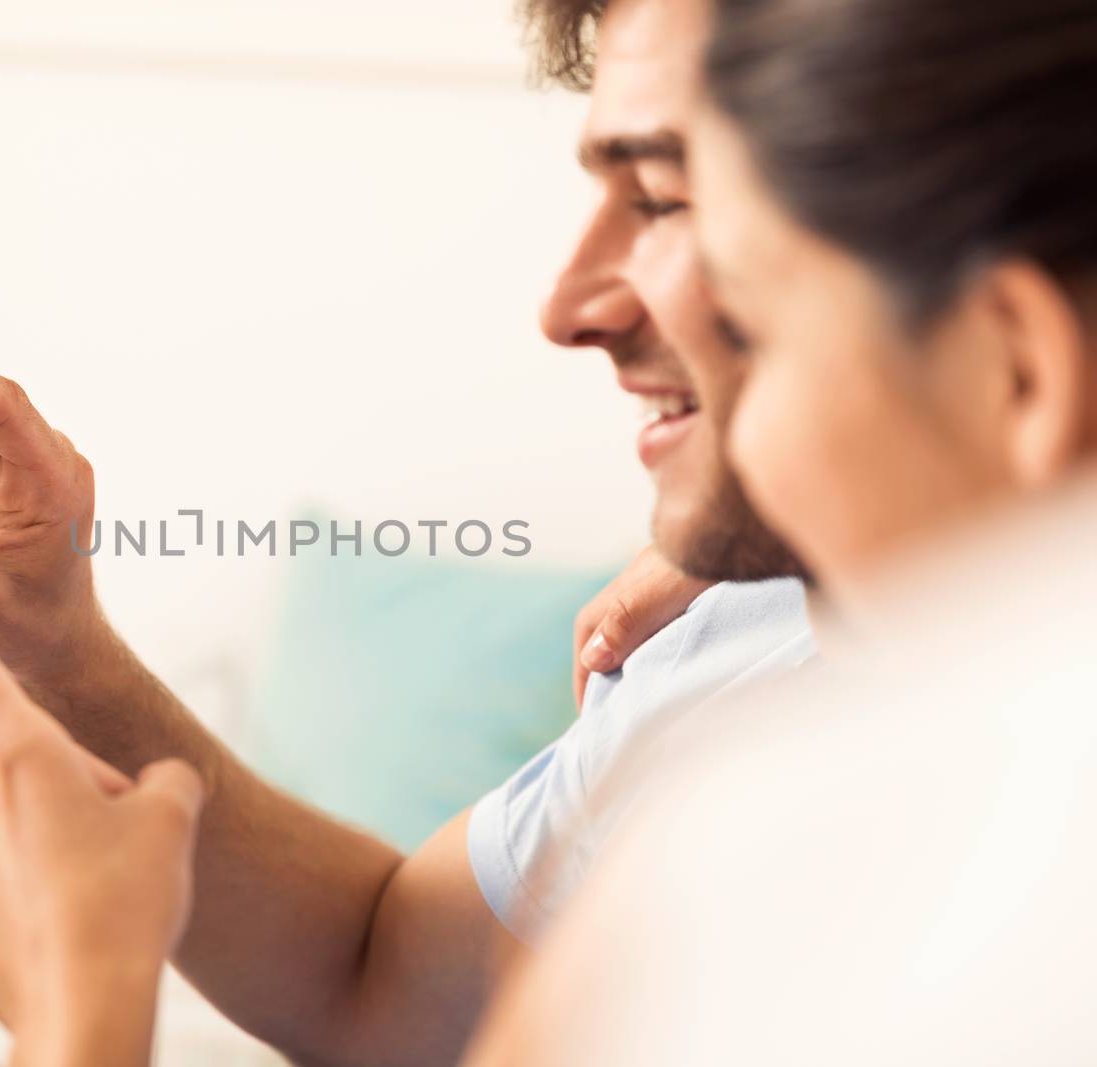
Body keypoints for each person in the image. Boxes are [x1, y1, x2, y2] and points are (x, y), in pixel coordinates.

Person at [0, 0, 821, 1063]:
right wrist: (60, 641)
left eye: (663, 194)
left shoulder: (932, 790)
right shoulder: (741, 628)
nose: (564, 305)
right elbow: (385, 982)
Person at [461, 0, 1097, 1061]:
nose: (745, 445)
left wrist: (96, 986)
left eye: (755, 334)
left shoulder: (767, 860)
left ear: (1018, 370)